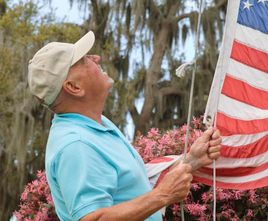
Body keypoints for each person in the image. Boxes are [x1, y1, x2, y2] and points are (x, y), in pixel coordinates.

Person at [28, 31, 222, 221]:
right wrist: (163, 195)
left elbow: (129, 191)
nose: (96, 58)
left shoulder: (96, 125)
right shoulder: (77, 144)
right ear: (74, 87)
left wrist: (192, 160)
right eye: (84, 60)